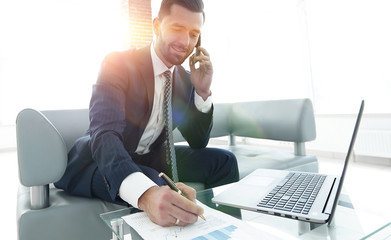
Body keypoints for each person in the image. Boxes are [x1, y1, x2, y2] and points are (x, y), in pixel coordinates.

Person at [55, 0, 239, 227]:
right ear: (156, 26)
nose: (185, 42)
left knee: (224, 161)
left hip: (152, 158)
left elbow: (198, 141)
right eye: (177, 28)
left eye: (193, 34)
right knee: (152, 182)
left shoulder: (185, 80)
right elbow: (104, 134)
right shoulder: (118, 63)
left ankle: (228, 229)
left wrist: (202, 91)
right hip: (101, 160)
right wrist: (146, 193)